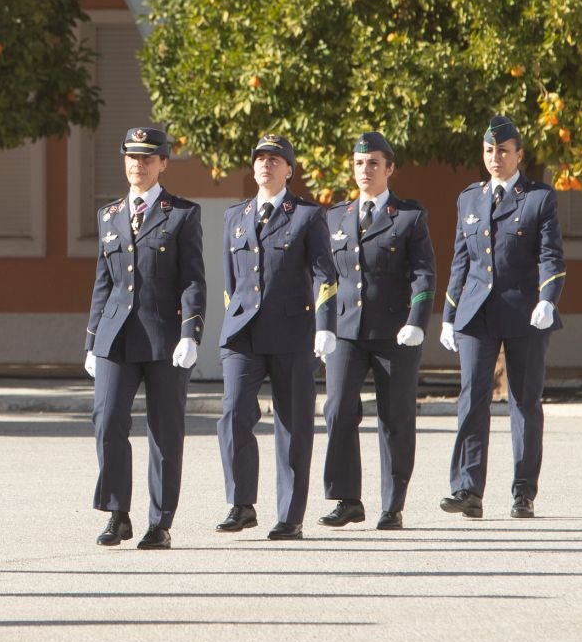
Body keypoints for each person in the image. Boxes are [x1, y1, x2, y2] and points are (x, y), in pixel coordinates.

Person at [438, 115, 567, 520]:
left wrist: (548, 299)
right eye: (490, 151)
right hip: (476, 313)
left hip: (524, 312)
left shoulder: (539, 198)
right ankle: (467, 489)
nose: (496, 158)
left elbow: (550, 256)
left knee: (524, 402)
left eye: (504, 151)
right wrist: (448, 315)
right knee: (471, 399)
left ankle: (523, 491)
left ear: (519, 155)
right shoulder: (469, 199)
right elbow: (461, 260)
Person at [84, 126, 206, 550]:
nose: (139, 165)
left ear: (163, 164)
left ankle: (160, 521)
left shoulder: (182, 213)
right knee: (107, 420)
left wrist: (191, 332)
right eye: (132, 158)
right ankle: (118, 514)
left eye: (148, 159)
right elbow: (104, 280)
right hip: (116, 336)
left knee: (165, 430)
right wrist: (91, 339)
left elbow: (193, 278)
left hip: (164, 335)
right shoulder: (109, 215)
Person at [216, 133, 339, 540]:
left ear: (290, 168)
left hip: (291, 334)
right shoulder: (236, 216)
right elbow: (230, 281)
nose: (266, 165)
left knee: (293, 425)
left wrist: (325, 327)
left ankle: (290, 517)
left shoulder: (306, 215)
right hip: (243, 333)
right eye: (260, 159)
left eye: (275, 159)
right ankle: (242, 504)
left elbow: (326, 274)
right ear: (252, 167)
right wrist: (231, 319)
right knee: (234, 413)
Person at [317, 132, 436, 531]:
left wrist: (416, 322)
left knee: (395, 417)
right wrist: (322, 325)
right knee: (336, 409)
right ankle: (347, 498)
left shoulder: (408, 217)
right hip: (346, 331)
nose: (364, 170)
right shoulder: (335, 216)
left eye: (372, 164)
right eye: (358, 163)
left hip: (394, 332)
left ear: (389, 169)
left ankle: (392, 504)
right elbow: (325, 277)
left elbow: (423, 275)